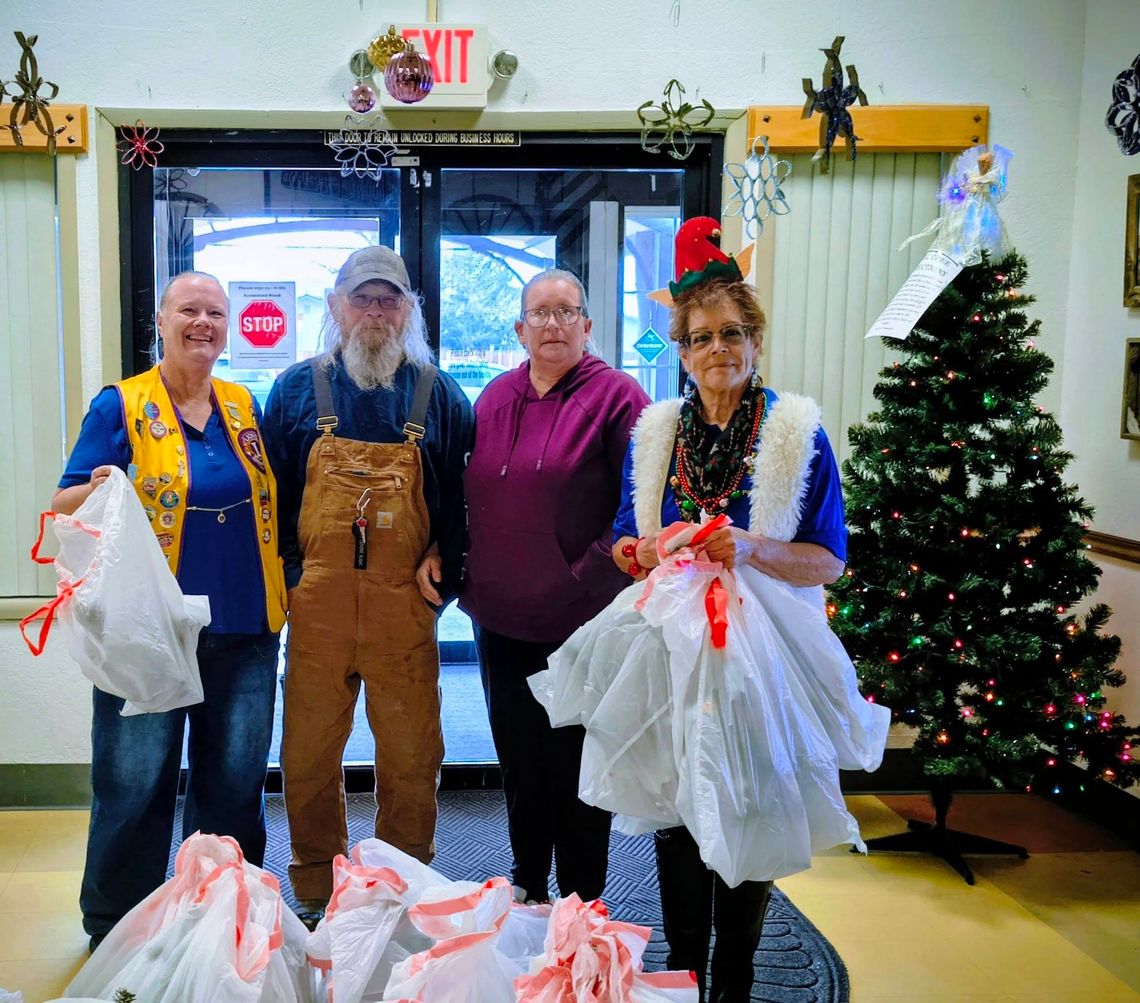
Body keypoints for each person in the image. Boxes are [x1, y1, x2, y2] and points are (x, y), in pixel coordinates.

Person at [608, 220, 855, 1002]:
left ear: (756, 341)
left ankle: (736, 981)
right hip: (675, 659)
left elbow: (830, 560)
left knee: (747, 811)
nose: (720, 347)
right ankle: (684, 973)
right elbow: (624, 541)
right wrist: (646, 552)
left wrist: (750, 547)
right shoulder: (657, 434)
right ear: (681, 350)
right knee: (679, 816)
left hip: (764, 664)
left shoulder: (797, 435)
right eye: (702, 335)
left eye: (735, 332)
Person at [53, 271, 288, 952]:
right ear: (160, 319)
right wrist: (104, 484)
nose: (203, 323)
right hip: (146, 631)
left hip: (245, 624)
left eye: (216, 312)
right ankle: (115, 925)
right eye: (189, 310)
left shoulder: (245, 405)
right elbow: (64, 499)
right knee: (133, 782)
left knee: (234, 782)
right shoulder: (120, 405)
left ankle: (221, 917)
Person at [261, 245, 474, 926]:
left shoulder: (438, 395)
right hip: (317, 608)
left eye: (388, 299)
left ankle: (401, 880)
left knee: (412, 752)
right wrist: (295, 577)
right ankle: (317, 884)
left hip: (402, 609)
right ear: (335, 307)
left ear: (409, 309)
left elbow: (462, 505)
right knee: (307, 752)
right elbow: (273, 498)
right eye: (362, 298)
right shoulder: (296, 390)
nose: (375, 312)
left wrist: (446, 557)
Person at [460, 269, 650, 904]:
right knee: (519, 764)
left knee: (575, 769)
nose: (551, 324)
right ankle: (528, 888)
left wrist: (582, 578)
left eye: (565, 312)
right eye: (538, 314)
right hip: (500, 618)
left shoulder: (620, 397)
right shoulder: (492, 397)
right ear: (519, 329)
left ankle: (581, 905)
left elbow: (636, 511)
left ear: (587, 325)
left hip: (580, 623)